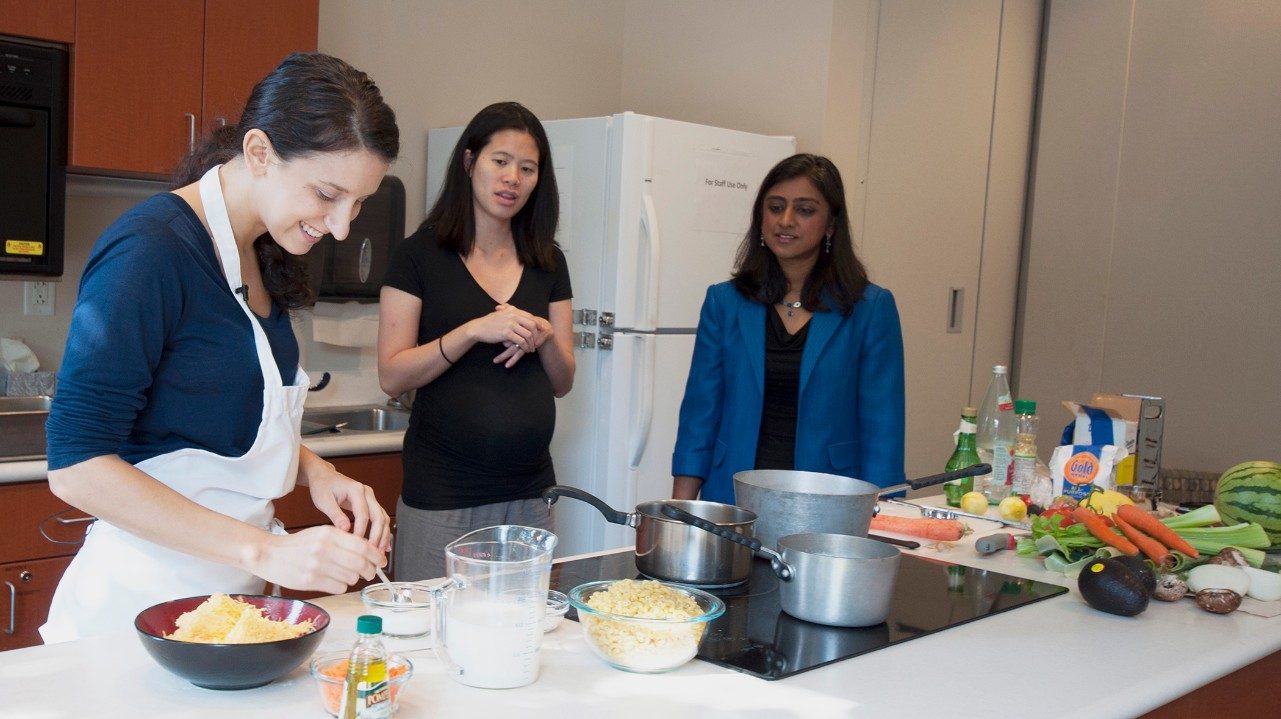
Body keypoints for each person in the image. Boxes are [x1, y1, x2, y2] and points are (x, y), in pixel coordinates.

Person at [41, 53, 399, 643]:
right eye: (326, 194)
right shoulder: (149, 252)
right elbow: (76, 467)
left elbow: (220, 419)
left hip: (226, 610)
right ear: (258, 152)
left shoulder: (264, 250)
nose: (341, 227)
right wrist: (265, 551)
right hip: (136, 610)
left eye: (358, 202)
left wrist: (318, 472)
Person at [378, 102, 574, 581]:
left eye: (527, 168)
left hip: (530, 494)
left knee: (523, 621)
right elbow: (392, 375)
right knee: (432, 621)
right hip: (443, 495)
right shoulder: (418, 256)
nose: (512, 179)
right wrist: (471, 331)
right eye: (500, 161)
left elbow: (563, 381)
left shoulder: (548, 262)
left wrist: (546, 338)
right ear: (469, 162)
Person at [671, 153, 905, 504]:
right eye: (775, 207)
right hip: (732, 497)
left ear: (831, 224)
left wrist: (882, 514)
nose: (786, 220)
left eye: (805, 210)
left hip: (830, 501)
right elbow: (700, 416)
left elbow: (883, 430)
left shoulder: (870, 308)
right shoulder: (724, 302)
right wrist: (679, 510)